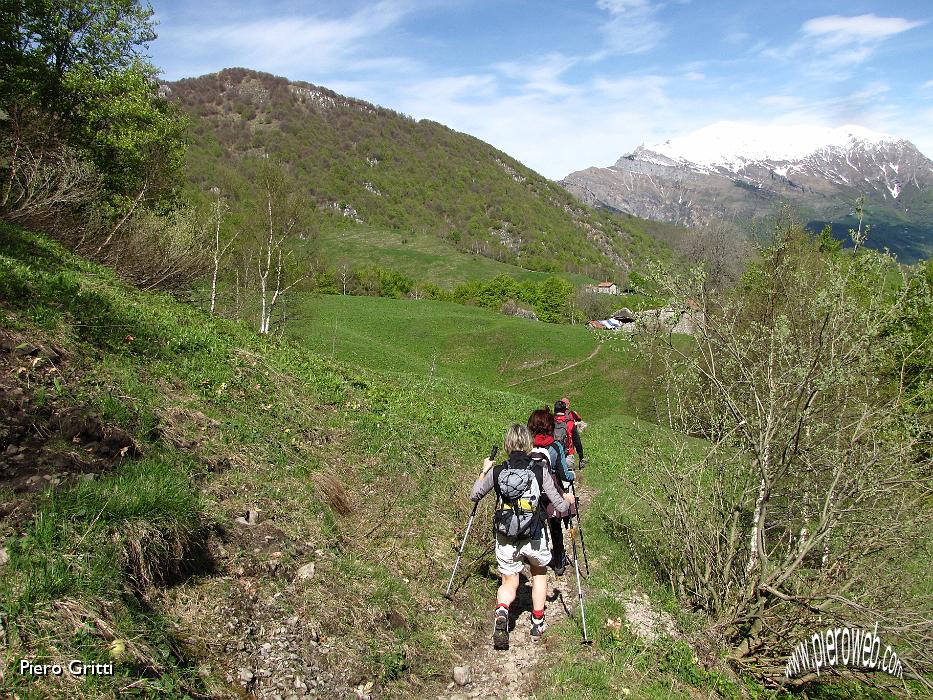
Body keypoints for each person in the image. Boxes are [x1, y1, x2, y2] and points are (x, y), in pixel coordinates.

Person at [471, 423, 575, 650]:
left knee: (509, 581)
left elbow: (474, 495)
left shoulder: (498, 471)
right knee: (539, 572)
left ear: (507, 445)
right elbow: (559, 505)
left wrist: (485, 470)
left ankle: (502, 611)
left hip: (506, 535)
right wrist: (567, 499)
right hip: (534, 534)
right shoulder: (539, 470)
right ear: (528, 444)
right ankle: (537, 622)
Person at [527, 408, 576, 576]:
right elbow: (564, 473)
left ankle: (534, 556)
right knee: (555, 525)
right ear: (550, 427)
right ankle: (559, 560)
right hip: (552, 488)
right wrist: (572, 476)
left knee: (534, 521)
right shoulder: (556, 446)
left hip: (532, 488)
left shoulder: (528, 445)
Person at [554, 399, 585, 469]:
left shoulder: (549, 422)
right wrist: (581, 457)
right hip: (568, 456)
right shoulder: (570, 422)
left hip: (553, 456)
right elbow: (577, 442)